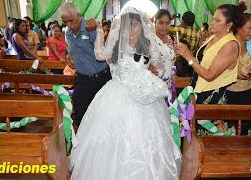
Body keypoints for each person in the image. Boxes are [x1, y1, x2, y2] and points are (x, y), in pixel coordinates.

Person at [68, 7, 180, 180]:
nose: (130, 30)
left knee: (145, 137)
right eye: (127, 26)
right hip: (117, 94)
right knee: (112, 136)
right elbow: (99, 55)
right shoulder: (116, 44)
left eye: (134, 26)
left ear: (141, 27)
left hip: (143, 95)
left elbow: (158, 65)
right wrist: (98, 31)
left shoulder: (148, 44)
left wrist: (150, 73)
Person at [174, 3, 245, 105]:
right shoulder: (214, 37)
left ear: (229, 25)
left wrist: (188, 56)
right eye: (213, 19)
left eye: (217, 20)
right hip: (197, 86)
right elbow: (201, 63)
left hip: (209, 95)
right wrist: (184, 51)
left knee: (197, 120)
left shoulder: (230, 45)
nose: (212, 23)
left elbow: (209, 75)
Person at [60, 2, 112, 125]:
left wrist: (95, 30)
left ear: (79, 15)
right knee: (80, 112)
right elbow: (72, 51)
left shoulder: (90, 27)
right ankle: (82, 142)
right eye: (65, 22)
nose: (69, 25)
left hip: (101, 78)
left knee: (104, 114)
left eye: (71, 20)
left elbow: (101, 53)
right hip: (83, 79)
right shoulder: (68, 32)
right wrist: (70, 58)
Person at [225, 13, 251, 135]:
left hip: (246, 90)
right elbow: (215, 67)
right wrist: (233, 73)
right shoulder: (228, 43)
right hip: (227, 90)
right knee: (226, 121)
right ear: (239, 27)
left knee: (244, 122)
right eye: (250, 27)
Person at [154, 9, 175, 87]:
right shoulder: (150, 40)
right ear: (155, 22)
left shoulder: (170, 39)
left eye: (167, 23)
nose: (164, 27)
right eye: (161, 23)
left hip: (168, 82)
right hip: (154, 83)